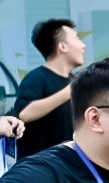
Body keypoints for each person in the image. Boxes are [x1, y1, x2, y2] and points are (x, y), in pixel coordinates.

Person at [10, 16, 88, 153]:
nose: (83, 45)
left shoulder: (75, 80)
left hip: (69, 162)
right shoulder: (36, 78)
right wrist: (68, 92)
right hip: (40, 164)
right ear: (62, 47)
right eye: (77, 38)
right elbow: (24, 114)